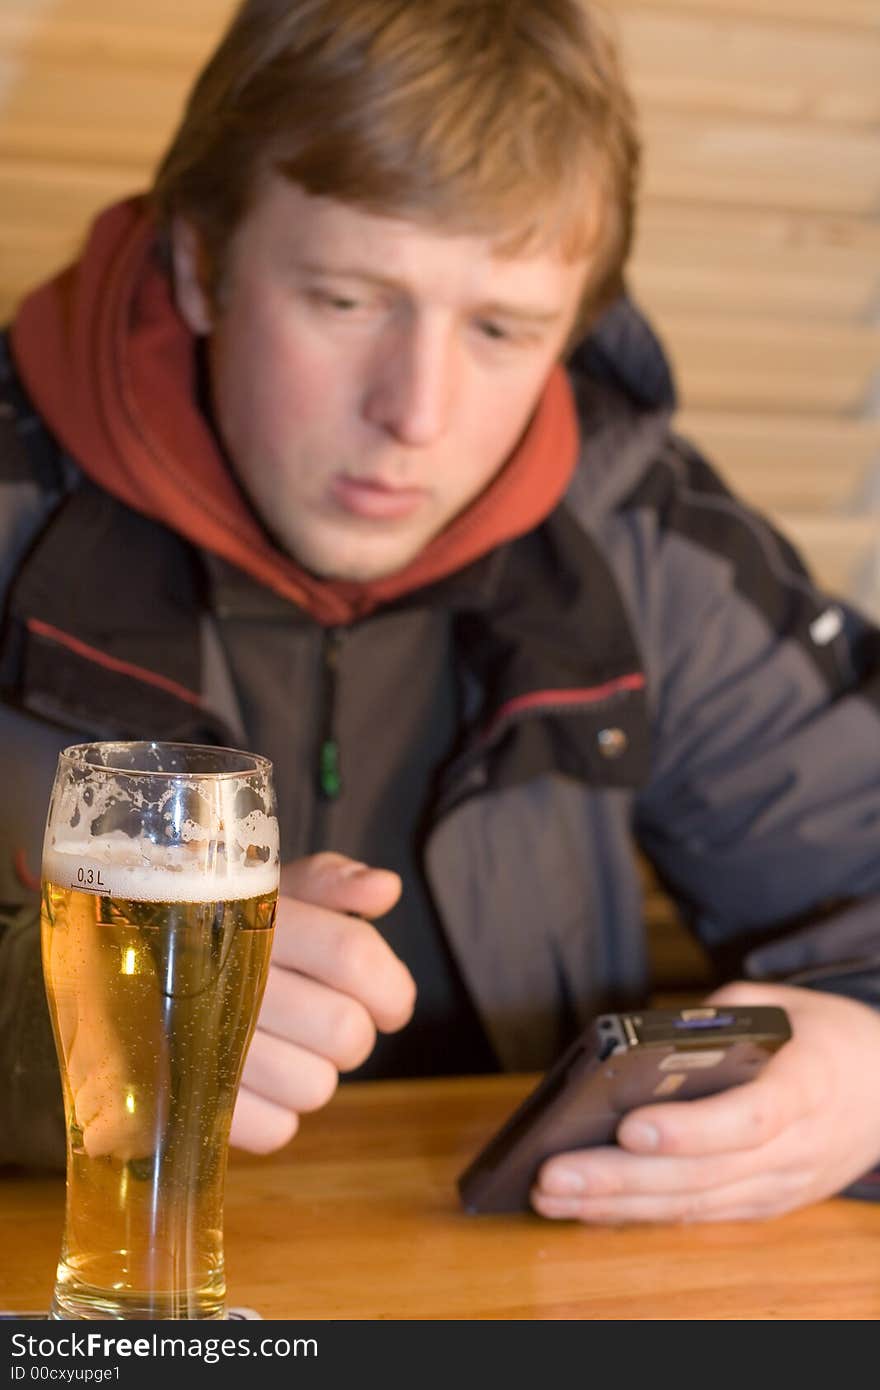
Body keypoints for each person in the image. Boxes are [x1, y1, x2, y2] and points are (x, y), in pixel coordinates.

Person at [1, 0, 878, 1225]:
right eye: (348, 301)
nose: (417, 412)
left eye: (502, 328)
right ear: (201, 266)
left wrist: (864, 1064)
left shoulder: (640, 532)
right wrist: (47, 1048)